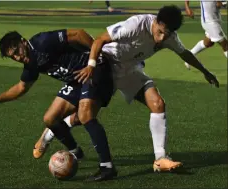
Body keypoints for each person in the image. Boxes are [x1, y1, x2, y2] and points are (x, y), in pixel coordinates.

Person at [34, 5, 219, 173]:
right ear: (156, 22)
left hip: (130, 71)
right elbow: (99, 40)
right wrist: (91, 65)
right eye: (160, 31)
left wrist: (205, 72)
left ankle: (160, 158)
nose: (162, 38)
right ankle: (51, 132)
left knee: (158, 104)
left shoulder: (169, 37)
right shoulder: (136, 24)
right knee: (85, 116)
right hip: (107, 66)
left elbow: (185, 53)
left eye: (167, 34)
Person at [0, 29, 118, 181]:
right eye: (13, 57)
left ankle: (107, 167)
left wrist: (95, 58)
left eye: (16, 51)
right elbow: (21, 88)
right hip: (76, 80)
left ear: (23, 41)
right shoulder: (30, 64)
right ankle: (76, 152)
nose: (17, 57)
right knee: (50, 119)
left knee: (85, 115)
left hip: (93, 71)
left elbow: (77, 33)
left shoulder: (42, 42)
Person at [184, 0, 227, 69]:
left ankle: (189, 56)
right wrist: (187, 8)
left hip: (215, 18)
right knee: (225, 45)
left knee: (208, 42)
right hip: (209, 21)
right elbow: (219, 4)